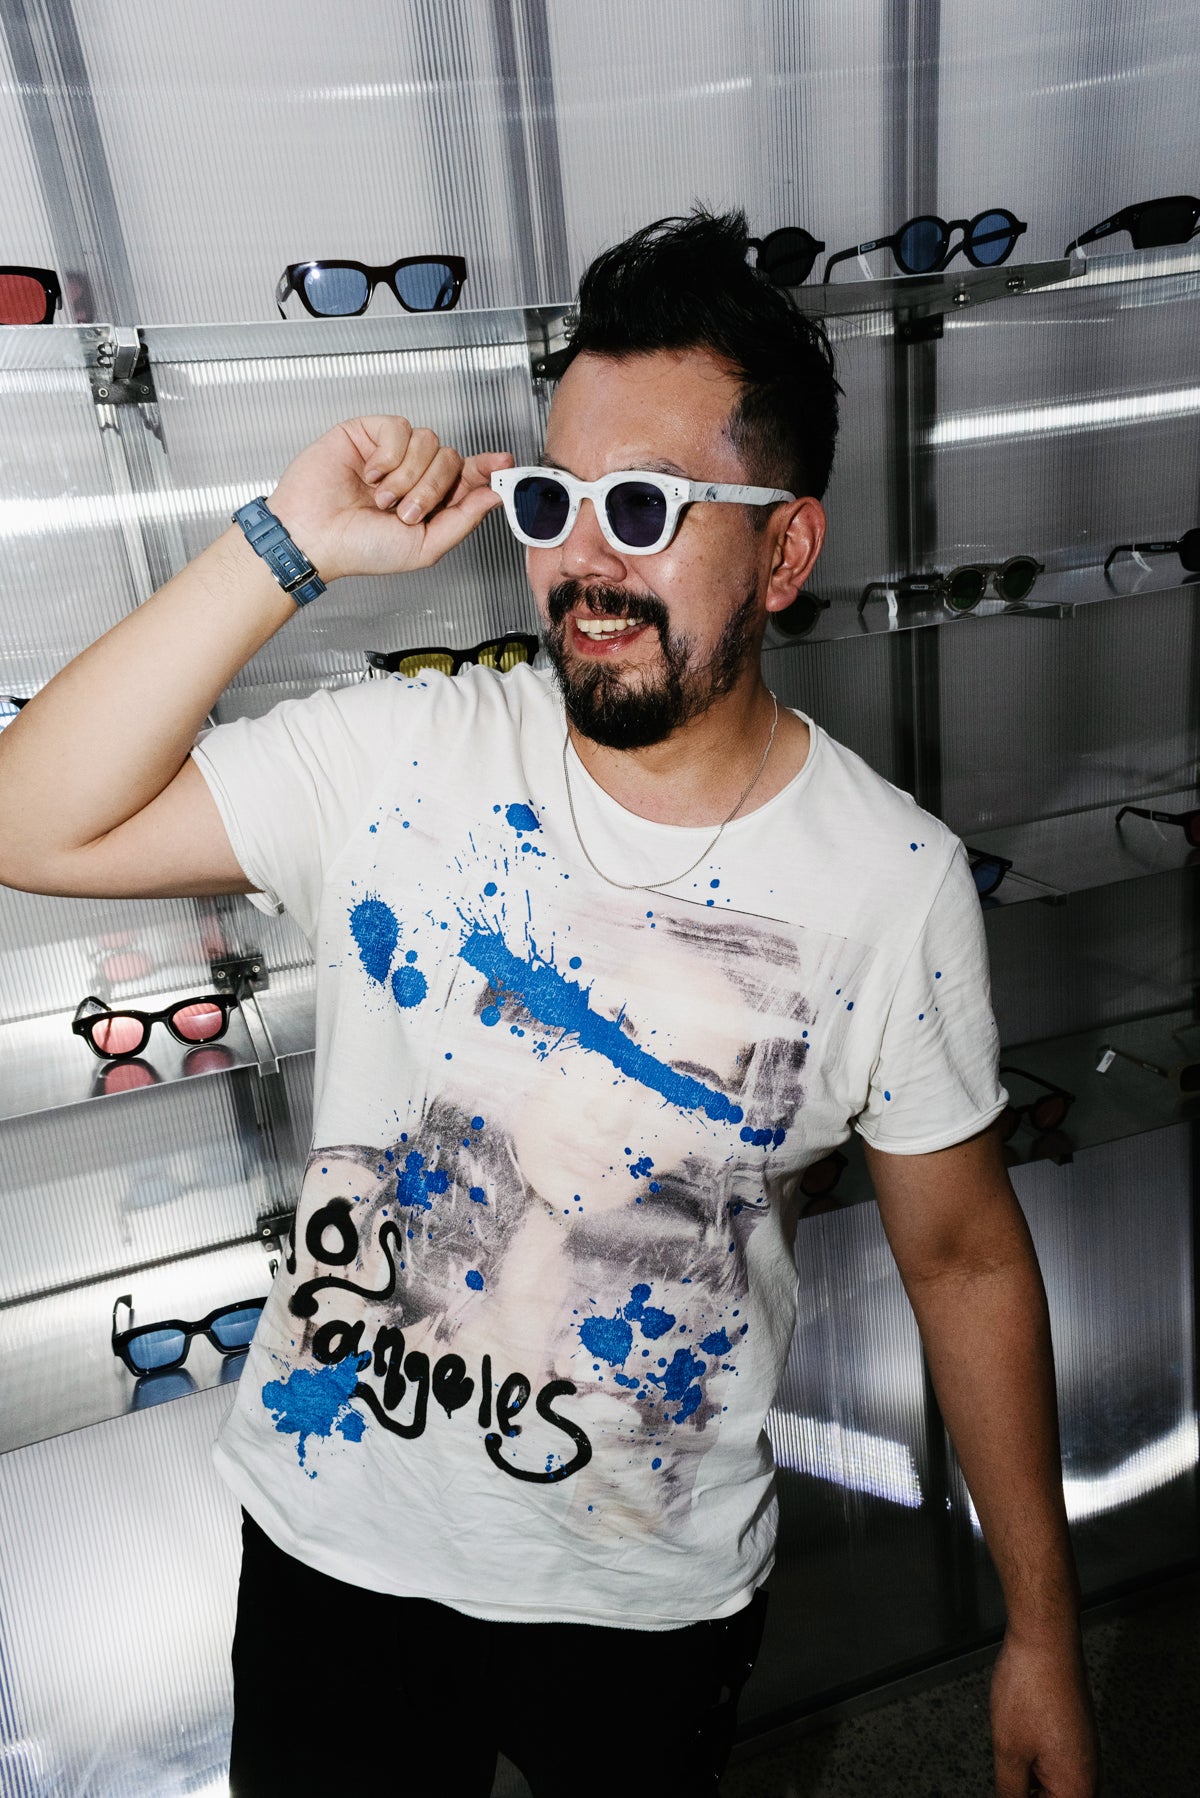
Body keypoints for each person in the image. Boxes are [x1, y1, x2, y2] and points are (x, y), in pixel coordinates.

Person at [0, 210, 1098, 1797]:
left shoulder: (891, 882)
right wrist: (289, 541)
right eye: (554, 500)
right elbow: (29, 822)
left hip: (646, 1597)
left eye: (643, 506)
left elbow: (966, 1257)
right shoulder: (400, 758)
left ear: (785, 550)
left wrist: (1042, 1631)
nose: (587, 559)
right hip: (335, 1551)